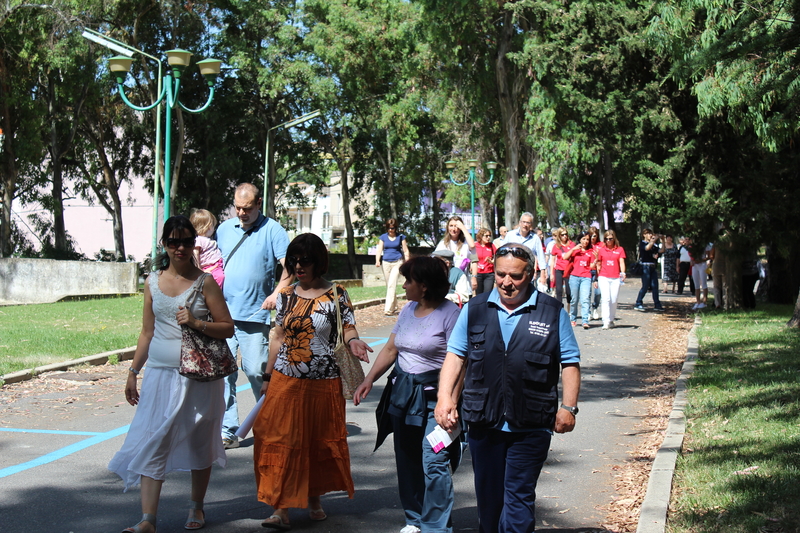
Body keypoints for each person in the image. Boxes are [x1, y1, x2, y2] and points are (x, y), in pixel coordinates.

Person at [434, 243, 581, 533]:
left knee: (518, 497)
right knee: (489, 501)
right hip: (483, 421)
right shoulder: (475, 309)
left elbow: (571, 362)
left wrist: (568, 407)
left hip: (531, 423)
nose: (506, 283)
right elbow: (455, 355)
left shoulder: (551, 312)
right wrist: (444, 398)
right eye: (501, 275)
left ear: (532, 274)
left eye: (515, 276)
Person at [109, 215, 234, 533]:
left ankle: (197, 507)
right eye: (174, 241)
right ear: (164, 244)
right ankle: (148, 519)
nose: (181, 247)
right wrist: (132, 372)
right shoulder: (152, 281)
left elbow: (227, 327)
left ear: (195, 244)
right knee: (155, 439)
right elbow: (147, 333)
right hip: (160, 375)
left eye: (187, 241)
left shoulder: (205, 282)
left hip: (199, 377)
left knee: (199, 440)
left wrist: (195, 323)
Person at [254, 233, 372, 530]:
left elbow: (348, 328)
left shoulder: (337, 293)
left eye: (304, 260)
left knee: (316, 441)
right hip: (286, 379)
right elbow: (277, 338)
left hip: (324, 381)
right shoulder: (285, 295)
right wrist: (267, 377)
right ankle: (280, 508)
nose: (297, 266)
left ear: (318, 261)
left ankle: (314, 498)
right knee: (282, 440)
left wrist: (355, 342)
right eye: (293, 260)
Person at [353, 256, 462, 533]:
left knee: (434, 459)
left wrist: (450, 401)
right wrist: (369, 380)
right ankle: (414, 519)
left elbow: (461, 362)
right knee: (407, 458)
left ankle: (436, 527)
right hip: (403, 396)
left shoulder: (451, 314)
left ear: (424, 286)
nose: (403, 286)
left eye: (408, 281)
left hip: (435, 400)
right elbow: (391, 349)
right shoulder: (407, 310)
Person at [216, 183, 293, 449]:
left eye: (246, 208)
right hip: (222, 315)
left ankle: (267, 421)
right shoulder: (224, 229)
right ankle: (228, 429)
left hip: (254, 315)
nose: (241, 213)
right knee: (223, 374)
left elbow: (290, 267)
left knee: (255, 371)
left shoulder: (273, 230)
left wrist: (276, 293)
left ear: (258, 203)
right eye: (237, 207)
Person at [501, 212, 547, 289]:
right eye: (523, 222)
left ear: (531, 225)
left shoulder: (535, 239)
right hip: (511, 271)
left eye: (528, 223)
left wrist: (543, 275)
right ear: (520, 223)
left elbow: (541, 257)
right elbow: (503, 253)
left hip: (527, 273)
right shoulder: (510, 235)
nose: (525, 225)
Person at [375, 218, 411, 316]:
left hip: (397, 262)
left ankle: (388, 309)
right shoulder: (383, 237)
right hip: (386, 263)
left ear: (396, 228)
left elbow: (406, 251)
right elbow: (379, 250)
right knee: (389, 285)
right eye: (389, 228)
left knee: (392, 284)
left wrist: (407, 262)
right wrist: (377, 260)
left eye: (393, 228)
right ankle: (394, 306)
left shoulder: (401, 237)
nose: (391, 230)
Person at [562, 232, 595, 329]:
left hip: (586, 277)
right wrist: (573, 249)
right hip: (574, 277)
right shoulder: (575, 250)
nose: (586, 241)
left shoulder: (590, 251)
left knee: (585, 299)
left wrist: (596, 259)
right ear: (580, 239)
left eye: (587, 239)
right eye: (584, 239)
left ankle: (585, 320)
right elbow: (565, 257)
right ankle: (573, 319)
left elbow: (591, 266)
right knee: (574, 299)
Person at [595, 230, 627, 329]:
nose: (608, 241)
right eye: (606, 239)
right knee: (605, 299)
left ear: (614, 239)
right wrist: (596, 277)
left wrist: (623, 272)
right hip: (603, 276)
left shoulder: (620, 249)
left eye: (610, 239)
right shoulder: (601, 250)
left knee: (613, 299)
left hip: (615, 277)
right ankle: (605, 321)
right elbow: (598, 263)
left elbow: (621, 262)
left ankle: (611, 319)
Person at [190, 209, 225, 288]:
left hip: (216, 265)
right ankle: (215, 294)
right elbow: (195, 256)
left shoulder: (208, 239)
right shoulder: (198, 240)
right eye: (212, 225)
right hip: (209, 267)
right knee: (220, 277)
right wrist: (200, 271)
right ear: (208, 227)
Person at [634, 229, 665, 312]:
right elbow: (647, 248)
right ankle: (638, 303)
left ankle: (657, 304)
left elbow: (661, 250)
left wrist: (663, 241)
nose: (650, 235)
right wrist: (653, 240)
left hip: (652, 267)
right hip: (645, 267)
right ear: (644, 235)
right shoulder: (642, 243)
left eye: (651, 233)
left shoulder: (654, 244)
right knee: (645, 286)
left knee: (655, 286)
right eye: (648, 234)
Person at [550, 228, 574, 312]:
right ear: (559, 236)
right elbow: (552, 261)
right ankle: (559, 310)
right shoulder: (556, 246)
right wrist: (552, 274)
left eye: (566, 234)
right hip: (559, 269)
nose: (564, 236)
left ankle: (569, 310)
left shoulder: (572, 244)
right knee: (559, 291)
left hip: (569, 270)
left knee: (568, 291)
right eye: (562, 235)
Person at [472, 227, 496, 295]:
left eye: (489, 236)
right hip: (478, 273)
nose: (488, 237)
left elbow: (497, 258)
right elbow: (471, 258)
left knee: (487, 293)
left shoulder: (491, 246)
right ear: (481, 236)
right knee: (479, 294)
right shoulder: (475, 246)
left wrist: (492, 261)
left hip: (489, 273)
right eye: (486, 236)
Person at [690, 242, 710, 310]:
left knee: (703, 283)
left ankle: (704, 302)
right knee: (696, 284)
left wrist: (701, 260)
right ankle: (698, 302)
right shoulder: (692, 246)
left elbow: (708, 256)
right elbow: (691, 255)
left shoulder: (705, 245)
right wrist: (692, 261)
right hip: (695, 265)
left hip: (702, 264)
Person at [588, 227, 602, 320]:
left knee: (598, 292)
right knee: (587, 292)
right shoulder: (586, 245)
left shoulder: (601, 245)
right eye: (591, 235)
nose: (593, 237)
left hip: (598, 271)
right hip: (588, 270)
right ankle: (588, 311)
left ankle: (595, 307)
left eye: (595, 235)